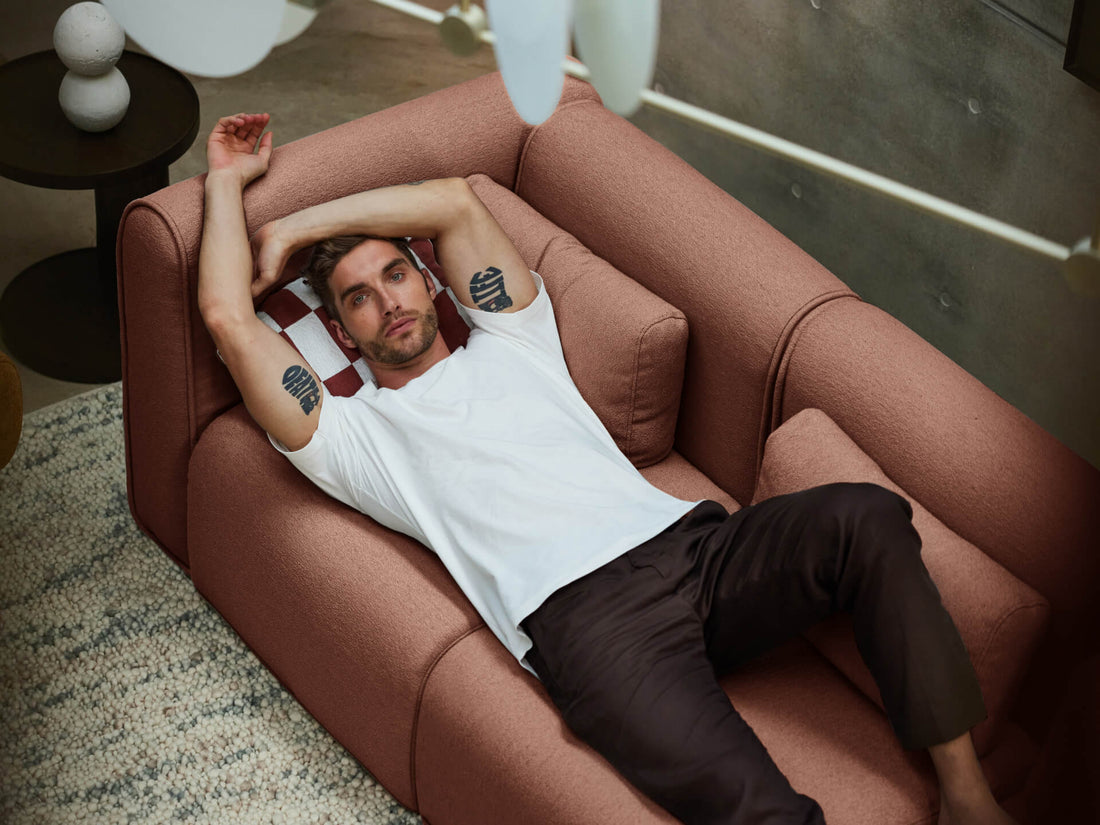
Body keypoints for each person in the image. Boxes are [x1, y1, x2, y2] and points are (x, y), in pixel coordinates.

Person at [199, 112, 1018, 825]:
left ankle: (965, 797)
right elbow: (228, 317)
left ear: (427, 276)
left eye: (396, 274)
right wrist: (228, 186)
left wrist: (300, 228)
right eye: (359, 298)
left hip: (695, 549)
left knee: (864, 516)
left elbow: (452, 199)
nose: (390, 302)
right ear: (342, 334)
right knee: (753, 812)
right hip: (594, 631)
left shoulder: (513, 334)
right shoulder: (357, 437)